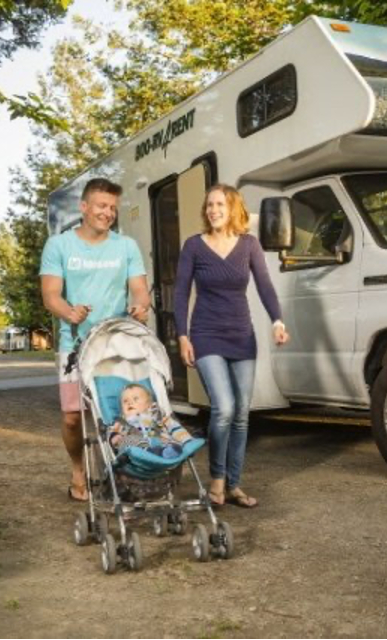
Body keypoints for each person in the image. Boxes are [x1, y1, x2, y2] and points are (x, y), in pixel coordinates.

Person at [174, 184, 289, 509]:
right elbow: (181, 292)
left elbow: (264, 285)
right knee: (223, 408)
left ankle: (234, 485)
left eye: (220, 204)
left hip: (241, 334)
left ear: (233, 208)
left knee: (241, 415)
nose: (213, 210)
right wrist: (183, 335)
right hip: (206, 333)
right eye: (209, 205)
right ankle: (217, 481)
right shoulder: (194, 246)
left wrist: (277, 321)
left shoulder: (249, 245)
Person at [40, 177, 150, 501]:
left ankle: (125, 470)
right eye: (102, 206)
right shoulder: (59, 246)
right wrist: (68, 311)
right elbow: (50, 295)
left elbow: (141, 289)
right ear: (84, 207)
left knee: (121, 412)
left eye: (113, 208)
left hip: (116, 342)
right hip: (73, 344)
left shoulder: (125, 246)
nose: (108, 213)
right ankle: (78, 469)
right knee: (73, 417)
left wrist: (141, 307)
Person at [109, 383, 194, 459]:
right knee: (128, 440)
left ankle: (168, 451)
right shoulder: (122, 422)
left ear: (148, 404)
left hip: (161, 443)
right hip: (137, 452)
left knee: (170, 437)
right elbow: (111, 431)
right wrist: (114, 436)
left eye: (135, 399)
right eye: (125, 401)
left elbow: (175, 428)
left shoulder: (157, 417)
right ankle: (153, 452)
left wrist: (187, 442)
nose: (130, 403)